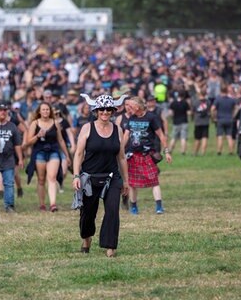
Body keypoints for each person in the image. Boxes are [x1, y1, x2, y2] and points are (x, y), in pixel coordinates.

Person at [72, 94, 129, 257]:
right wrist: (76, 176)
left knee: (112, 211)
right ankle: (86, 238)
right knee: (88, 213)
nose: (105, 112)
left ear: (112, 111)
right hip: (90, 178)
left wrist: (126, 181)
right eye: (102, 109)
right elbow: (78, 153)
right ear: (96, 111)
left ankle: (110, 247)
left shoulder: (117, 129)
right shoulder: (87, 128)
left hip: (112, 177)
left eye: (108, 109)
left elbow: (122, 157)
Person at [123, 96, 172, 215]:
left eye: (131, 106)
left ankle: (159, 207)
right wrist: (120, 150)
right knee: (132, 183)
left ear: (137, 107)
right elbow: (126, 136)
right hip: (133, 155)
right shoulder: (131, 118)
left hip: (147, 155)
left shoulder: (151, 117)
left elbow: (161, 135)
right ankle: (134, 207)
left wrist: (166, 152)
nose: (128, 108)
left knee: (154, 181)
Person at [24, 102, 71, 212]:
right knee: (41, 179)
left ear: (50, 111)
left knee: (52, 177)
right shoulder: (35, 123)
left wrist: (67, 156)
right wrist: (37, 136)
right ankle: (42, 204)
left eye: (47, 109)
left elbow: (60, 140)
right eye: (43, 109)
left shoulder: (55, 123)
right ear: (39, 111)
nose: (45, 111)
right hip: (39, 152)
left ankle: (53, 204)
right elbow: (28, 142)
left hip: (53, 152)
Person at [211, 85, 237, 155]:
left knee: (220, 136)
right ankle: (231, 151)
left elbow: (212, 109)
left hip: (220, 119)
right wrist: (233, 115)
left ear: (220, 91)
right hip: (229, 119)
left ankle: (219, 151)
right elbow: (237, 107)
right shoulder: (231, 99)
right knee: (229, 136)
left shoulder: (218, 99)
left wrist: (214, 117)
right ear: (227, 91)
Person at [168, 90, 191, 155]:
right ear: (183, 95)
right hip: (184, 121)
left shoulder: (173, 103)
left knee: (173, 137)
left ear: (177, 95)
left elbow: (170, 113)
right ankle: (183, 151)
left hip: (176, 122)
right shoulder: (185, 103)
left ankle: (170, 150)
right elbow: (189, 113)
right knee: (183, 137)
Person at [192, 89, 210, 156]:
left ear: (199, 94)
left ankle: (195, 152)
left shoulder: (196, 102)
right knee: (205, 137)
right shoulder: (208, 102)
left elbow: (193, 111)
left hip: (198, 121)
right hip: (206, 121)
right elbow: (209, 110)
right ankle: (203, 153)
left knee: (197, 138)